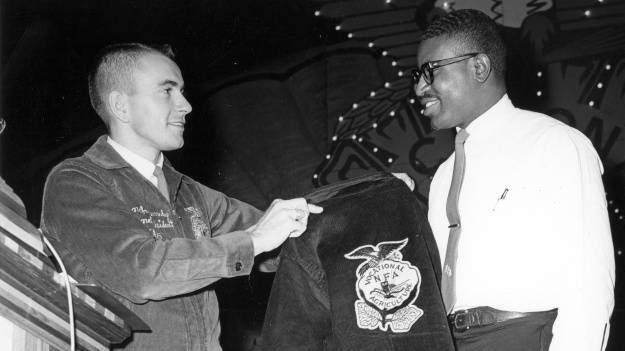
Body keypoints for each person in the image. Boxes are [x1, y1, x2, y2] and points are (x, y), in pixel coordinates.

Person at [39, 43, 322, 351]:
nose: (186, 105)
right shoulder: (76, 182)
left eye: (182, 91)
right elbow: (142, 271)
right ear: (121, 106)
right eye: (167, 91)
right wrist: (253, 242)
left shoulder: (190, 193)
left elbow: (281, 240)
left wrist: (338, 225)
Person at [414, 9, 614, 351]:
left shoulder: (555, 143)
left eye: (430, 72)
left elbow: (589, 287)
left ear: (479, 67)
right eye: (417, 75)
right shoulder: (444, 174)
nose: (419, 87)